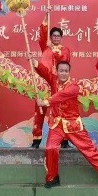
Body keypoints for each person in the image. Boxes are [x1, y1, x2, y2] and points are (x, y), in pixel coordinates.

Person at [32, 59, 98, 188]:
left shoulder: (74, 86)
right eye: (61, 71)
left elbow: (61, 95)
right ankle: (52, 177)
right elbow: (45, 72)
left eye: (66, 71)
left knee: (89, 150)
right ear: (57, 71)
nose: (63, 73)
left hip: (73, 126)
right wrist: (35, 62)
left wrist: (45, 102)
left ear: (69, 72)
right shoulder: (53, 80)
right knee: (50, 148)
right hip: (57, 125)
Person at [32, 20, 71, 148]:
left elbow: (64, 61)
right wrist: (45, 19)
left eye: (58, 36)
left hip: (57, 84)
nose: (56, 38)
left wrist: (53, 50)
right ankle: (36, 139)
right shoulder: (45, 46)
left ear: (61, 38)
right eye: (53, 36)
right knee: (39, 111)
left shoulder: (65, 50)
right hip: (43, 83)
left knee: (60, 112)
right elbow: (42, 35)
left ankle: (64, 139)